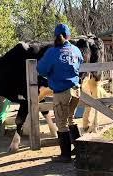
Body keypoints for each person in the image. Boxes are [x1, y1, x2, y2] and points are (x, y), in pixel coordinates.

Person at [37, 23, 83, 163]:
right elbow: (79, 62)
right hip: (76, 91)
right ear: (68, 35)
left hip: (62, 92)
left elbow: (41, 69)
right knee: (71, 119)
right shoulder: (75, 50)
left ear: (55, 36)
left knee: (61, 124)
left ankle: (65, 156)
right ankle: (80, 150)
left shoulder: (52, 52)